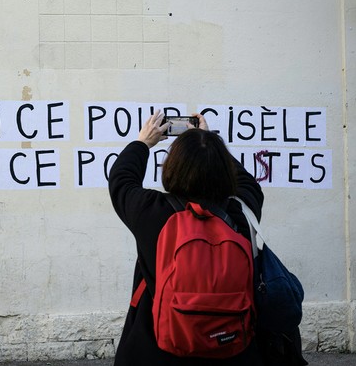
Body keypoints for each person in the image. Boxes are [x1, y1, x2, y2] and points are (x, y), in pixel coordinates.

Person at [108, 110, 264, 366]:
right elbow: (248, 183)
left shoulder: (152, 213)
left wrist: (142, 143)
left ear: (171, 167)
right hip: (232, 347)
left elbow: (121, 180)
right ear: (224, 169)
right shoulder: (242, 212)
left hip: (158, 350)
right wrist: (208, 141)